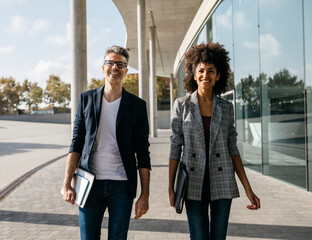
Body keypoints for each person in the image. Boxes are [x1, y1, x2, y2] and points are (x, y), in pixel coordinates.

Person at [168, 42, 260, 240]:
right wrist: (171, 187)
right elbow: (175, 148)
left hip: (222, 181)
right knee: (198, 237)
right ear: (194, 74)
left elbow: (232, 149)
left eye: (211, 71)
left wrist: (248, 188)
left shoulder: (226, 108)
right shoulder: (181, 105)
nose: (205, 75)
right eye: (201, 70)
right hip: (193, 182)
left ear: (218, 75)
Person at [62, 45, 151, 240]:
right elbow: (76, 143)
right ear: (103, 68)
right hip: (89, 183)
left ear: (126, 70)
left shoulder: (137, 106)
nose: (115, 67)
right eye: (110, 62)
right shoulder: (86, 99)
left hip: (122, 185)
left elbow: (143, 153)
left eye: (120, 64)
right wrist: (67, 183)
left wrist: (145, 195)